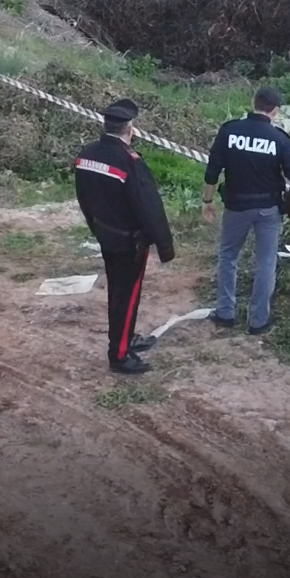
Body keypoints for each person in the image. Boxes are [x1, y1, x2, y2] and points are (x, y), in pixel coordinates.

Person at [73, 99, 174, 375]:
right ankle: (119, 355)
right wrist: (165, 246)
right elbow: (149, 207)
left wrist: (95, 226)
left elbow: (84, 197)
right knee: (126, 296)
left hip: (106, 234)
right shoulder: (130, 162)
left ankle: (126, 338)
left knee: (118, 292)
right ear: (130, 128)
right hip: (130, 242)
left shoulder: (86, 155)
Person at [202, 86, 290, 337]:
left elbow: (212, 170)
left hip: (236, 206)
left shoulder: (229, 131)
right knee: (266, 262)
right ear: (276, 111)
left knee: (228, 256)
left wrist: (207, 201)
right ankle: (258, 321)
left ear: (253, 102)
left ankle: (225, 313)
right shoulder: (280, 139)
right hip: (268, 209)